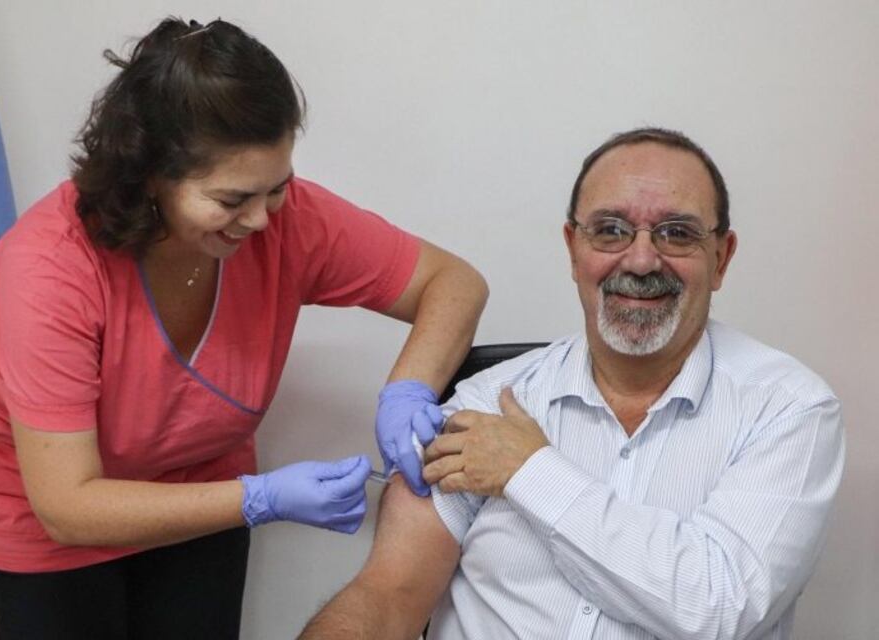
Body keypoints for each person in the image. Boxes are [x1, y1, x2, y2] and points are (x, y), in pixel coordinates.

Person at [0, 17, 487, 640]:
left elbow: (454, 282)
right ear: (151, 176)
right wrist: (262, 498)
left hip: (199, 500)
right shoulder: (49, 268)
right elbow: (68, 507)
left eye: (277, 188)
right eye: (231, 200)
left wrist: (409, 389)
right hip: (47, 526)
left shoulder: (290, 221)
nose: (261, 220)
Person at [299, 127, 844, 640]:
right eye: (610, 229)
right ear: (572, 248)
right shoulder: (487, 402)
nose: (640, 258)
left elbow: (721, 606)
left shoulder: (789, 410)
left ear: (721, 258)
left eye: (677, 233)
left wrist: (529, 471)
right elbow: (388, 594)